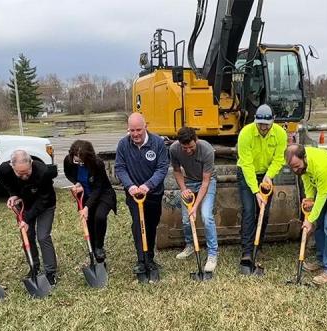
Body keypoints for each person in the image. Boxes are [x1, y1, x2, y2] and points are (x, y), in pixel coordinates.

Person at [285, 144, 327, 286]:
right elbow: (307, 183)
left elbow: (322, 194)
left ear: (304, 157)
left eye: (297, 166)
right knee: (320, 223)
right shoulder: (302, 167)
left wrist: (310, 219)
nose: (295, 170)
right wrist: (309, 199)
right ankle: (321, 258)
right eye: (292, 168)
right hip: (324, 186)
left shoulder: (319, 165)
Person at [114, 113, 169, 282]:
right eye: (132, 130)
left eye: (138, 130)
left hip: (153, 193)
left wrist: (148, 185)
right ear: (128, 129)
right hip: (134, 195)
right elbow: (120, 168)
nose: (135, 134)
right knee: (138, 225)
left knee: (151, 225)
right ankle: (141, 260)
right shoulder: (123, 144)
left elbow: (162, 168)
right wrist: (130, 186)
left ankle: (149, 258)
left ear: (146, 127)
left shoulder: (158, 143)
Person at [0, 150, 59, 286]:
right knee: (27, 236)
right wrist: (13, 194)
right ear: (12, 167)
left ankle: (50, 272)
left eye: (27, 173)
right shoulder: (4, 170)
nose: (24, 177)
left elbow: (44, 200)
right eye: (20, 174)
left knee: (43, 236)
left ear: (31, 164)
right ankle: (34, 267)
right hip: (25, 204)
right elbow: (6, 182)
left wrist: (26, 219)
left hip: (45, 204)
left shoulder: (43, 172)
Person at [236, 104, 287, 269]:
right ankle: (247, 251)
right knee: (249, 210)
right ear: (255, 121)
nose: (263, 128)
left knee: (263, 212)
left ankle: (260, 244)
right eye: (260, 124)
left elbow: (279, 158)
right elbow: (246, 163)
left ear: (273, 121)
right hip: (247, 173)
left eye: (266, 124)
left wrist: (269, 176)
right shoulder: (246, 133)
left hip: (266, 175)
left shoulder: (280, 134)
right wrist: (255, 190)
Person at [170, 126, 218, 272]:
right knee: (186, 219)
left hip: (207, 182)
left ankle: (212, 254)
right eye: (184, 148)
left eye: (191, 147)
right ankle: (190, 245)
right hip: (189, 181)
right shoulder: (174, 149)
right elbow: (177, 171)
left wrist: (195, 206)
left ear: (196, 140)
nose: (188, 151)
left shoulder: (207, 150)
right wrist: (184, 190)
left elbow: (205, 181)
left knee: (206, 215)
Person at [63, 139, 117, 263]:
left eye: (82, 162)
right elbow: (68, 173)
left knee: (99, 217)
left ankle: (99, 247)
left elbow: (98, 189)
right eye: (76, 160)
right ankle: (92, 249)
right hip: (85, 194)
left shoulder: (97, 164)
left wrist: (86, 207)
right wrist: (76, 183)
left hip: (103, 194)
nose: (78, 163)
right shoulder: (69, 160)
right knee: (89, 222)